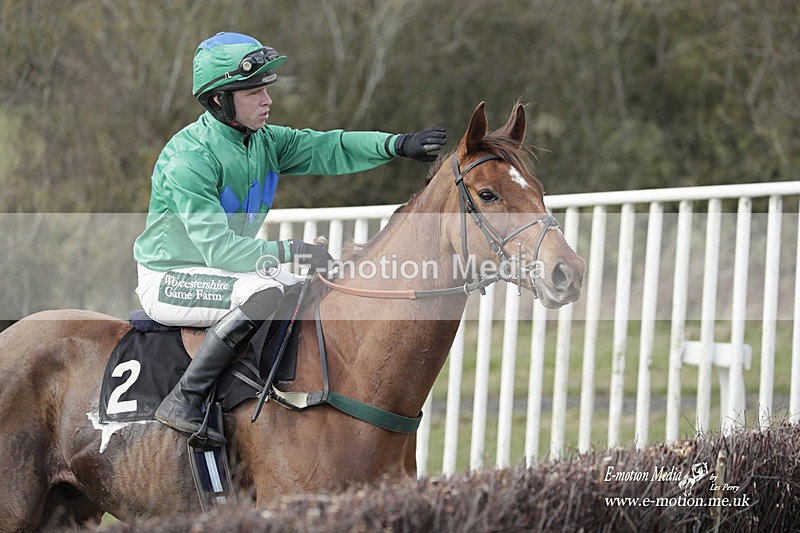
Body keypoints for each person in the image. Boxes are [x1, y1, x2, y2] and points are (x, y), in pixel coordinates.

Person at [132, 32, 446, 446]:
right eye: (253, 91)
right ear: (218, 100)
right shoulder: (189, 158)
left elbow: (327, 147)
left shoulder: (263, 141)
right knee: (266, 289)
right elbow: (220, 249)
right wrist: (292, 251)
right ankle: (185, 399)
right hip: (170, 278)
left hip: (222, 270)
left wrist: (397, 144)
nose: (267, 100)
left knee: (301, 288)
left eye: (266, 89)